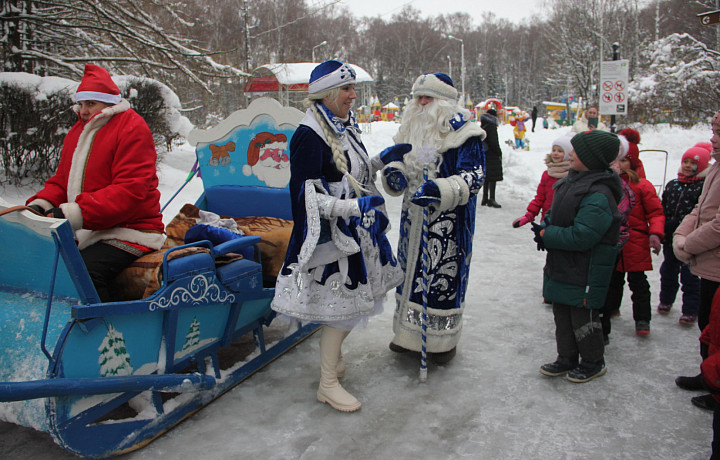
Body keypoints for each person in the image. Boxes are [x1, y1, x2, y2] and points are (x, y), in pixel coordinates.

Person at [270, 60, 403, 413]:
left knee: (354, 304)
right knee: (341, 312)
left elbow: (352, 175)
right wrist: (349, 210)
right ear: (327, 94)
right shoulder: (309, 135)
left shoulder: (341, 127)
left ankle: (334, 362)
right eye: (346, 89)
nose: (352, 95)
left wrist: (378, 161)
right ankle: (328, 383)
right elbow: (305, 195)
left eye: (352, 88)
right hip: (333, 239)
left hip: (357, 232)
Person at [26, 64, 165, 301]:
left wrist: (74, 213)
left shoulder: (132, 128)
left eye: (91, 103)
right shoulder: (78, 133)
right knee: (43, 263)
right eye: (81, 104)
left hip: (132, 230)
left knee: (84, 272)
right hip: (92, 229)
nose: (83, 111)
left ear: (109, 103)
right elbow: (62, 181)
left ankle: (107, 332)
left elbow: (130, 190)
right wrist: (42, 204)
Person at [379, 72, 485, 364]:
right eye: (418, 97)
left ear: (445, 101)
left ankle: (441, 344)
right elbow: (397, 156)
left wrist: (441, 191)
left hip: (448, 225)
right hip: (412, 219)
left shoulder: (465, 132)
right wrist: (395, 172)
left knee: (440, 282)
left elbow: (474, 176)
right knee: (409, 276)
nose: (422, 103)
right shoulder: (411, 126)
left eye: (428, 97)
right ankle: (406, 335)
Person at [535, 129, 623, 383]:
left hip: (586, 268)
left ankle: (594, 361)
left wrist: (548, 234)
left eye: (577, 151)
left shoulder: (599, 193)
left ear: (592, 158)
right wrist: (545, 226)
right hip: (564, 264)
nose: (570, 154)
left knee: (582, 316)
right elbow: (557, 211)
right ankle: (567, 357)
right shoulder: (571, 181)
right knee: (562, 312)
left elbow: (583, 235)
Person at [674, 110, 720, 411]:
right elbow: (700, 209)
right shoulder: (716, 167)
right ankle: (709, 375)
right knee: (707, 324)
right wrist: (681, 236)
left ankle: (716, 385)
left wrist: (688, 244)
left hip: (715, 261)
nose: (712, 137)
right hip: (708, 261)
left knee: (715, 328)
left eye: (718, 130)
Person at [601, 145, 665, 337]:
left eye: (624, 160)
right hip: (613, 239)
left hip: (636, 240)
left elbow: (655, 213)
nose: (619, 165)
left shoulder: (643, 186)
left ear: (633, 162)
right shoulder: (608, 184)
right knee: (613, 279)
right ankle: (612, 308)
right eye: (616, 160)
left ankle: (642, 318)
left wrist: (655, 233)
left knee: (638, 283)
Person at [658, 143, 712, 325]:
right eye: (685, 161)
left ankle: (690, 309)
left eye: (693, 163)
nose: (688, 165)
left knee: (689, 276)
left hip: (692, 239)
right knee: (668, 271)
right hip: (669, 237)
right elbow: (663, 207)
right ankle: (666, 300)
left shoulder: (704, 187)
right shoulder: (673, 184)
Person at [512, 134, 574, 228]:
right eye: (554, 150)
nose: (555, 153)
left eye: (560, 151)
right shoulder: (547, 174)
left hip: (566, 223)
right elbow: (540, 198)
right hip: (547, 221)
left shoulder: (573, 175)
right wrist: (530, 214)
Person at [480, 108, 503, 208]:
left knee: (487, 177)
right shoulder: (492, 126)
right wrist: (499, 152)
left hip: (485, 154)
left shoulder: (483, 125)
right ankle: (492, 198)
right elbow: (494, 142)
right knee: (493, 177)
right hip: (492, 155)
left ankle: (484, 198)